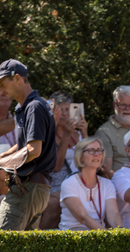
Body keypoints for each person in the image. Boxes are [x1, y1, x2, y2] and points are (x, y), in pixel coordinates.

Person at [0, 58, 56, 230]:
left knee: (0, 245)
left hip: (28, 188)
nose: (0, 90)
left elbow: (33, 150)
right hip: (34, 188)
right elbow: (26, 145)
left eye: (2, 84)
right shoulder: (28, 107)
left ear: (17, 78)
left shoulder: (34, 107)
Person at [40, 91, 89, 229]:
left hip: (80, 180)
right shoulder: (47, 133)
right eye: (60, 110)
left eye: (68, 109)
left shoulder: (76, 133)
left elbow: (90, 159)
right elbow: (55, 166)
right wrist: (66, 134)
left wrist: (84, 132)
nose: (65, 113)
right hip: (54, 183)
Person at [59, 136, 122, 230]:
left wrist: (121, 233)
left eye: (99, 150)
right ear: (81, 157)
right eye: (91, 151)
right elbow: (83, 218)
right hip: (73, 237)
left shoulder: (108, 184)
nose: (97, 154)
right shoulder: (69, 183)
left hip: (99, 236)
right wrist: (107, 236)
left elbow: (113, 214)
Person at [95, 86, 130, 178]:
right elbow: (106, 171)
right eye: (122, 105)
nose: (127, 109)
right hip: (120, 184)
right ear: (114, 105)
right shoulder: (104, 132)